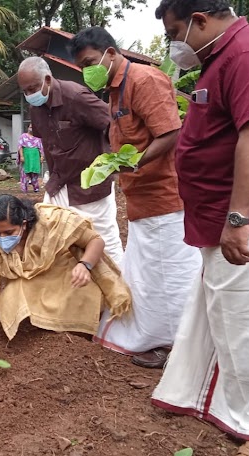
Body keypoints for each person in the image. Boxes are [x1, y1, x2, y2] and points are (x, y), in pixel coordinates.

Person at [150, 2, 249, 456]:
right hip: (218, 215)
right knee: (223, 311)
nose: (174, 44)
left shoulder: (247, 54)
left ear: (200, 20)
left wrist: (239, 218)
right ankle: (208, 396)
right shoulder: (220, 60)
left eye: (176, 31)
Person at [70, 28, 202, 368]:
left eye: (89, 62)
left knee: (171, 277)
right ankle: (164, 337)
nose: (87, 71)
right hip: (143, 202)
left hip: (165, 200)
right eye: (82, 66)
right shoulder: (115, 92)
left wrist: (134, 163)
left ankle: (178, 345)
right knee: (148, 277)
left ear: (110, 53)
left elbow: (170, 132)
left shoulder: (144, 80)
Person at [0, 195, 131, 387]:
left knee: (81, 293)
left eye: (9, 232)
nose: (2, 239)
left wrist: (85, 265)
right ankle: (44, 328)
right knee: (11, 294)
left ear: (24, 224)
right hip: (32, 283)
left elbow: (95, 241)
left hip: (68, 275)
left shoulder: (52, 221)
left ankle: (77, 331)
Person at [16, 57, 124, 266]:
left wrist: (109, 164)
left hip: (90, 186)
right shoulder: (35, 108)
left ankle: (119, 294)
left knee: (104, 242)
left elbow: (113, 125)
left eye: (33, 88)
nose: (30, 95)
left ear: (47, 79)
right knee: (52, 236)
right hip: (59, 183)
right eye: (25, 91)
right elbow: (45, 140)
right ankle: (72, 292)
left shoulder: (75, 96)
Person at [17, 124, 44, 193]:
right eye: (30, 127)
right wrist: (22, 156)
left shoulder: (38, 138)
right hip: (26, 157)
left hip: (35, 158)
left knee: (34, 174)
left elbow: (41, 148)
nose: (31, 128)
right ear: (28, 128)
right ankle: (24, 190)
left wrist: (42, 157)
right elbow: (20, 147)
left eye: (33, 127)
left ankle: (36, 189)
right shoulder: (23, 136)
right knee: (24, 174)